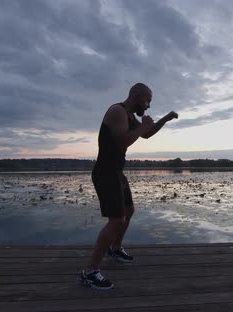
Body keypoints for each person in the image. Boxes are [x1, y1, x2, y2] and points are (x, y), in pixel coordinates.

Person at [80, 83, 178, 290]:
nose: (149, 105)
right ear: (136, 96)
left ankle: (115, 248)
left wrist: (165, 119)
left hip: (116, 172)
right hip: (105, 173)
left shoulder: (130, 116)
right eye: (147, 100)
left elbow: (147, 133)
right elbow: (121, 142)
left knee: (129, 210)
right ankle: (90, 272)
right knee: (116, 220)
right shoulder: (117, 111)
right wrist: (143, 126)